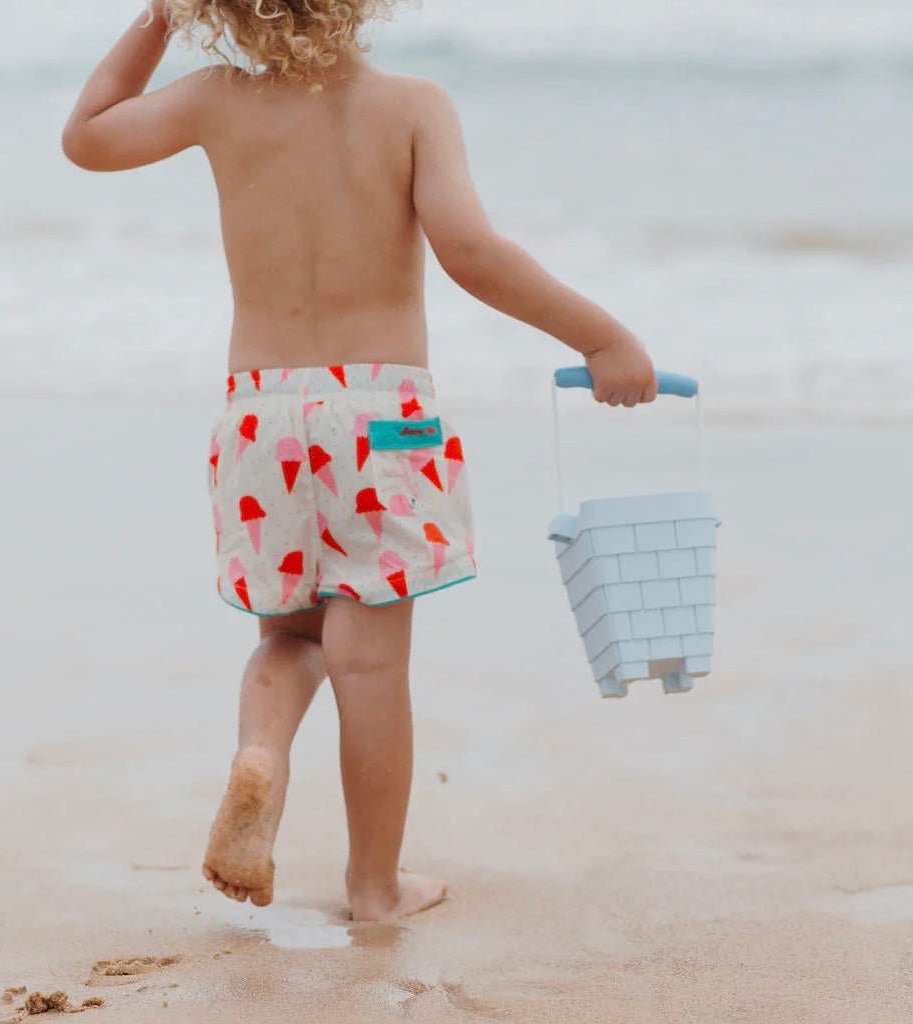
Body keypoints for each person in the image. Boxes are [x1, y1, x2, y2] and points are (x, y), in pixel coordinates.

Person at [62, 0, 657, 924]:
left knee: (289, 638)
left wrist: (156, 18)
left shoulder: (216, 100)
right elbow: (471, 252)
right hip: (382, 418)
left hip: (263, 417)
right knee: (371, 669)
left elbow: (88, 137)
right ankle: (374, 887)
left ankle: (261, 751)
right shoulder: (415, 105)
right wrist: (602, 336)